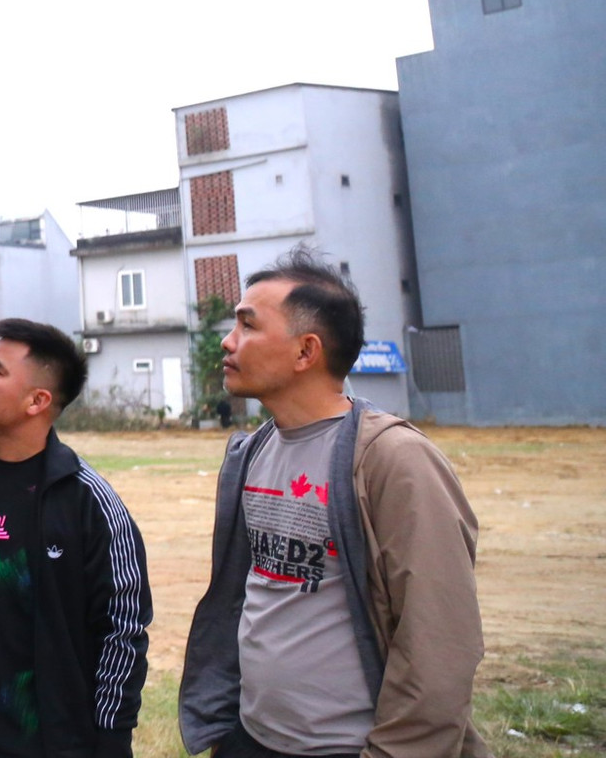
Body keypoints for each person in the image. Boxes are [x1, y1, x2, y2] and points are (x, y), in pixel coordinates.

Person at [179, 246, 489, 758]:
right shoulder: (250, 452)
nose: (228, 342)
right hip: (250, 740)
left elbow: (439, 641)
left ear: (306, 352)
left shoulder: (393, 459)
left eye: (248, 326)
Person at [0, 319, 152, 758]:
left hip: (51, 741)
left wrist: (111, 739)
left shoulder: (86, 501)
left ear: (37, 401)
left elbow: (122, 628)